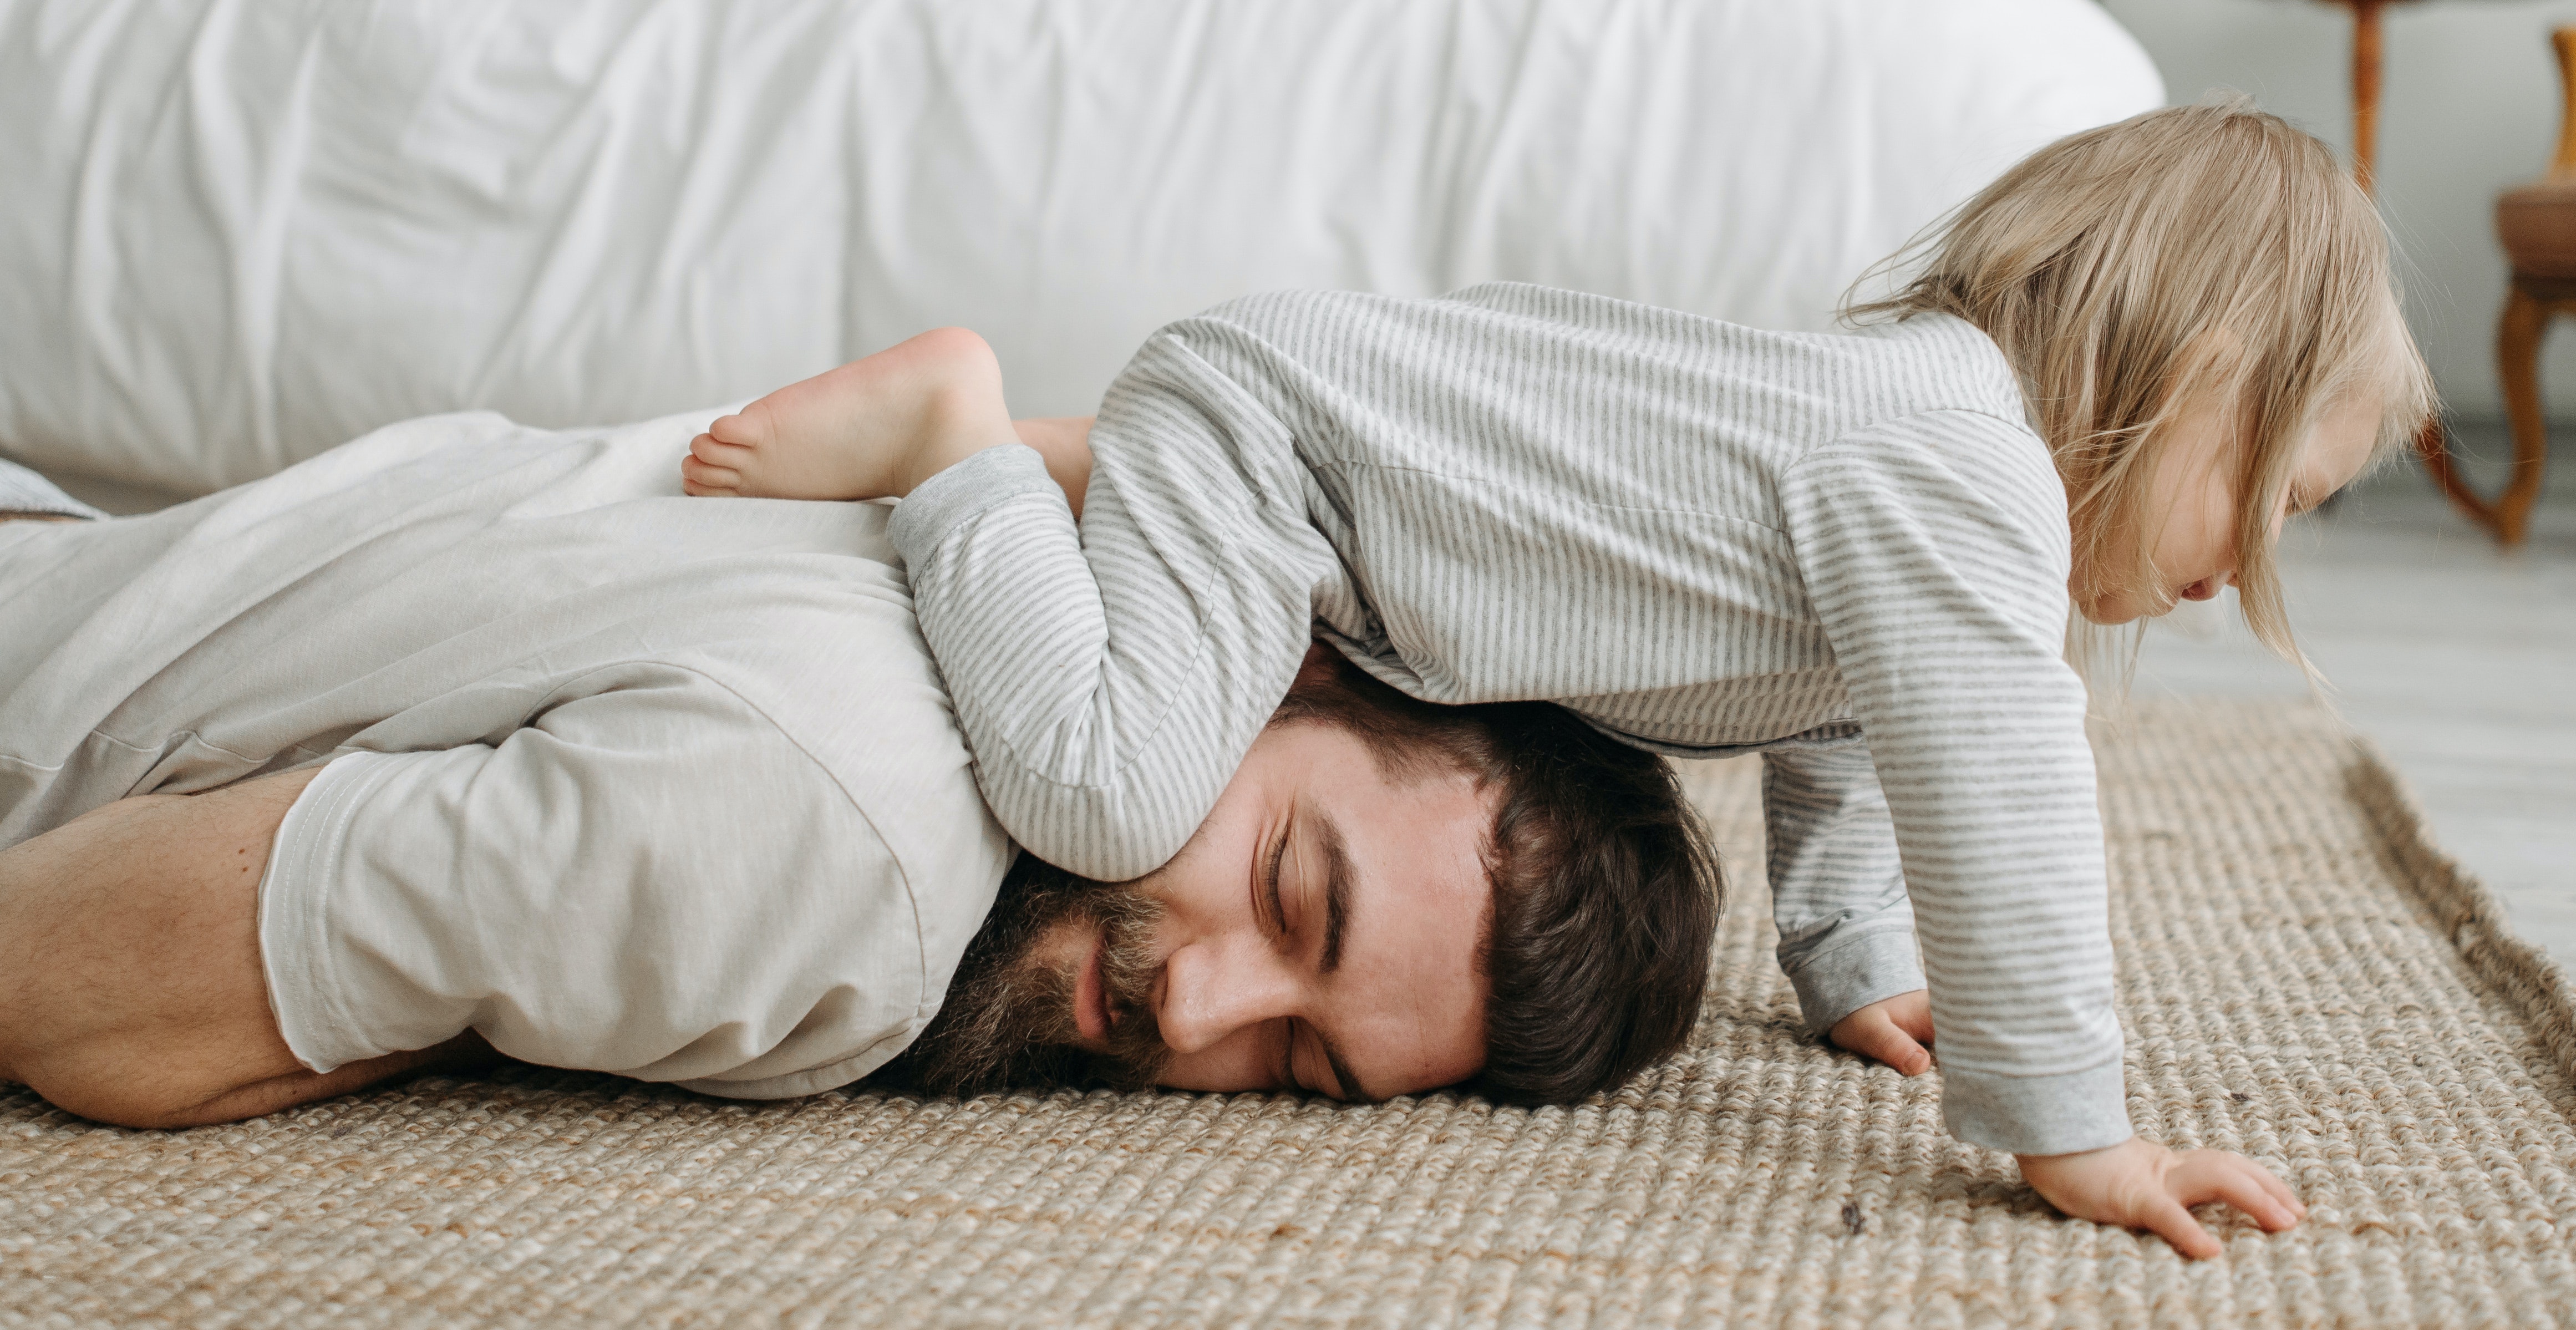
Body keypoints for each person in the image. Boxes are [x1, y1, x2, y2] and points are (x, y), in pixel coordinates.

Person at [684, 101, 2430, 1259]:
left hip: (1328, 494)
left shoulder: (1921, 460)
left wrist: (1855, 964)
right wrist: (2072, 1128)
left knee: (1152, 721)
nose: (2232, 572)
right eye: (2272, 500)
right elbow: (2003, 784)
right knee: (1105, 786)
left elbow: (1852, 732)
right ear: (2194, 378)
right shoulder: (1960, 468)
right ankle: (960, 447)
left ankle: (1091, 473)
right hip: (1280, 451)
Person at [0, 413, 1716, 1130]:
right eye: (1287, 889)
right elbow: (52, 984)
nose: (1196, 1012)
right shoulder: (847, 861)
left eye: (1301, 1069)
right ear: (1289, 660)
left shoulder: (977, 540)